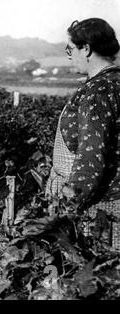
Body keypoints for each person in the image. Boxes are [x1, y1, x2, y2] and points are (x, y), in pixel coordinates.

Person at [45, 18, 120, 249]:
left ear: (86, 49)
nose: (69, 55)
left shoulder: (98, 91)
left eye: (70, 49)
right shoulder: (116, 82)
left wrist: (63, 209)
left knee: (95, 274)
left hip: (102, 208)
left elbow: (91, 158)